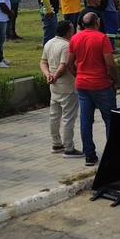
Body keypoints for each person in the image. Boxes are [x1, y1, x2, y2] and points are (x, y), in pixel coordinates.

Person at [71, 12, 119, 167]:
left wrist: (77, 74)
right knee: (110, 119)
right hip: (101, 84)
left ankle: (89, 155)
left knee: (86, 120)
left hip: (82, 85)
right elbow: (110, 64)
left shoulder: (75, 38)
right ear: (97, 22)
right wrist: (115, 80)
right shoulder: (102, 38)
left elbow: (69, 62)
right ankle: (112, 155)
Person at [41, 20, 81, 157]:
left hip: (54, 87)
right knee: (68, 118)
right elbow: (64, 65)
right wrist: (55, 76)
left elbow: (43, 62)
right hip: (68, 87)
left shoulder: (49, 43)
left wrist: (48, 75)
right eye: (72, 29)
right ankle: (69, 147)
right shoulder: (66, 46)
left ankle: (56, 143)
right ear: (69, 31)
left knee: (54, 116)